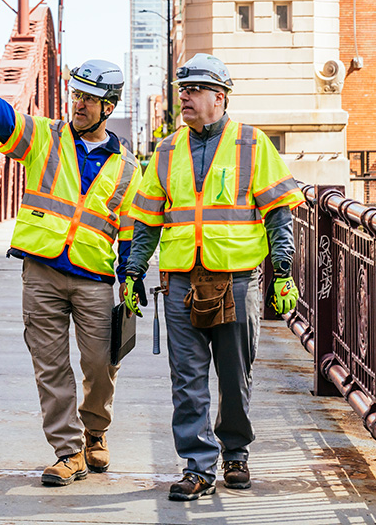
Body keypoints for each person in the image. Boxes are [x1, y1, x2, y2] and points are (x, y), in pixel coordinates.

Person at [0, 60, 143, 486]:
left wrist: (132, 276)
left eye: (90, 99)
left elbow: (130, 230)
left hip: (94, 275)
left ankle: (96, 429)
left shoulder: (129, 167)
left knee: (100, 364)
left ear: (109, 107)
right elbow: (6, 122)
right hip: (41, 269)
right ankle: (68, 451)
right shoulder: (46, 136)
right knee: (50, 366)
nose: (80, 105)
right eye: (78, 96)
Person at [126, 53, 304, 500]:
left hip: (237, 279)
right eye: (182, 89)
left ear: (219, 97)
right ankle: (198, 466)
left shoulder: (252, 144)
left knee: (233, 375)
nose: (184, 96)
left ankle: (236, 453)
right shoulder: (166, 150)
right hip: (181, 281)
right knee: (186, 379)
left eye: (194, 90)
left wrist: (282, 272)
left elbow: (279, 215)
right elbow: (147, 220)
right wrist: (132, 271)